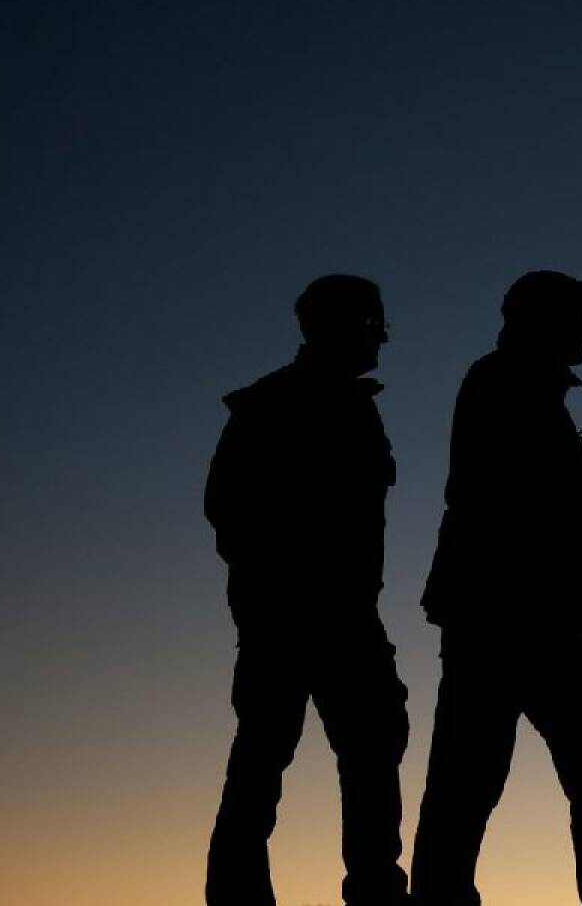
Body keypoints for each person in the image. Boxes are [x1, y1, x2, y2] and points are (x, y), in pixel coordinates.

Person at [410, 271, 582, 906]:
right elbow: (509, 505)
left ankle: (442, 893)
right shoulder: (507, 385)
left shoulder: (522, 387)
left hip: (509, 615)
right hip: (514, 617)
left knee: (476, 768)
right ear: (544, 322)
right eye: (581, 323)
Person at [204, 274, 411, 906]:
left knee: (370, 752)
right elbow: (226, 509)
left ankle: (375, 889)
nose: (382, 335)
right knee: (265, 758)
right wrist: (283, 591)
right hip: (290, 620)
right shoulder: (269, 405)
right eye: (372, 322)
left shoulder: (353, 405)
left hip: (347, 617)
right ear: (339, 327)